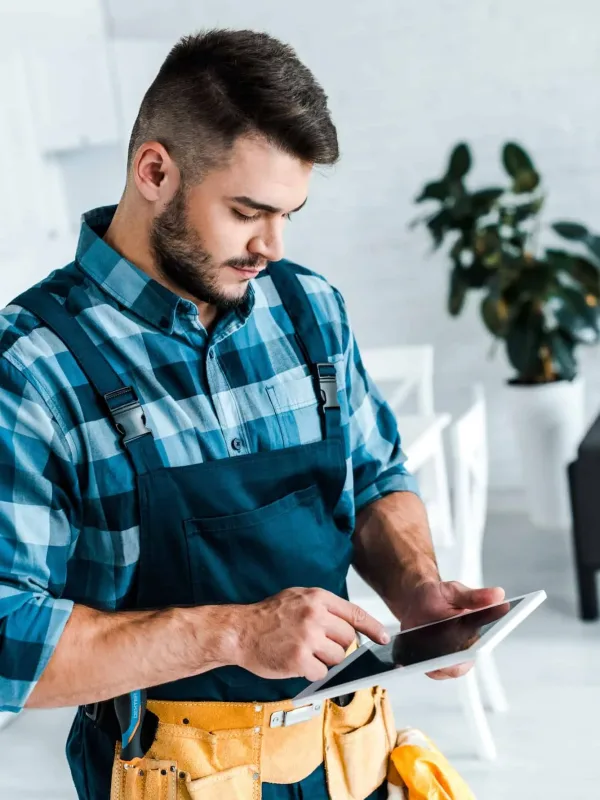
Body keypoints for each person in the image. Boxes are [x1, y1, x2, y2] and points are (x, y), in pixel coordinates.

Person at [0, 29, 504, 800]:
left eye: (289, 214)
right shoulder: (32, 366)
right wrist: (234, 632)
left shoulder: (310, 311)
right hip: (164, 777)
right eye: (247, 211)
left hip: (347, 760)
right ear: (155, 171)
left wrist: (417, 588)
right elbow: (7, 636)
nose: (271, 245)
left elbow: (372, 477)